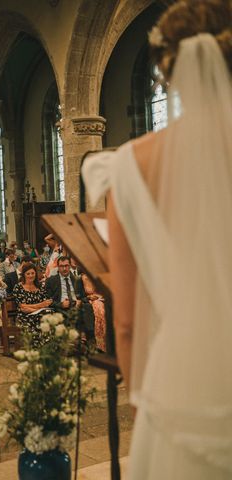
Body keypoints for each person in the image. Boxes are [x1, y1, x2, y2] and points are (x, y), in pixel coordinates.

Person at [82, 4, 232, 477]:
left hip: (182, 376)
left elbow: (126, 319)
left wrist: (140, 399)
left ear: (169, 70)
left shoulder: (130, 165)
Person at [13, 264, 53, 348]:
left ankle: (47, 347)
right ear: (24, 275)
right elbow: (23, 308)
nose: (31, 276)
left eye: (33, 273)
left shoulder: (40, 287)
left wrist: (33, 307)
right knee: (43, 317)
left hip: (40, 313)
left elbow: (46, 303)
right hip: (24, 316)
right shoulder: (18, 287)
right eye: (28, 274)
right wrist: (40, 305)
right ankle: (39, 348)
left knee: (49, 315)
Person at [81, 272, 106, 352]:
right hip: (93, 299)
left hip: (104, 297)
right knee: (99, 309)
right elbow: (89, 291)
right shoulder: (85, 277)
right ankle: (100, 343)